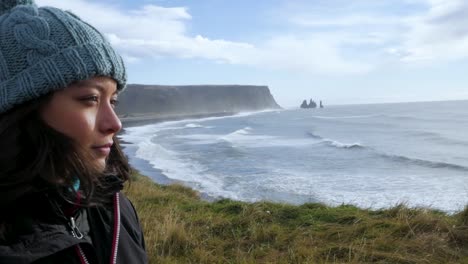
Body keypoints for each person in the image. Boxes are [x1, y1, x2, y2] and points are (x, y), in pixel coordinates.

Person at [0, 0, 148, 263]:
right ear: (24, 109)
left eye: (112, 101)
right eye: (90, 98)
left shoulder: (115, 209)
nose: (115, 123)